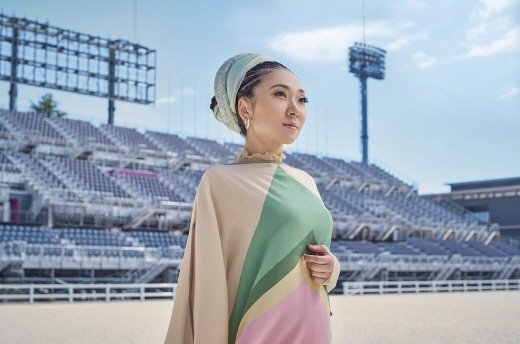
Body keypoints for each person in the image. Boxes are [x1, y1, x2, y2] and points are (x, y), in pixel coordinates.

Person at [164, 53, 340, 344]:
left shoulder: (307, 181)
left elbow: (314, 256)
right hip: (257, 332)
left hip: (315, 330)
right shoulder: (219, 181)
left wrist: (332, 268)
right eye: (280, 94)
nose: (295, 109)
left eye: (302, 99)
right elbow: (208, 285)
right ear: (245, 108)